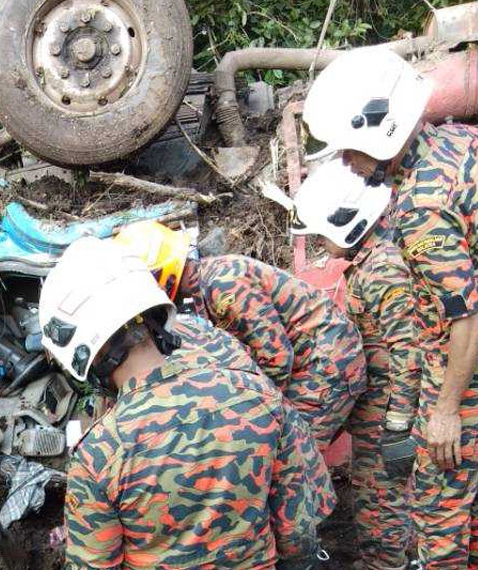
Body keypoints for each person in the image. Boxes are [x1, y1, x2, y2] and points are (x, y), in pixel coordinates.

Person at [40, 237, 335, 570]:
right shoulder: (259, 395)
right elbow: (297, 531)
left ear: (83, 354)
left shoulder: (98, 456)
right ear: (154, 316)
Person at [304, 46, 478, 568]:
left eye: (348, 149)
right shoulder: (454, 142)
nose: (344, 163)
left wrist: (444, 411)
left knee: (439, 512)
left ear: (378, 129)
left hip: (459, 384)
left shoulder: (423, 206)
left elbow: (464, 315)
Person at [114, 222, 367, 450]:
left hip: (326, 364)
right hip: (314, 360)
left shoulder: (224, 285)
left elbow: (277, 357)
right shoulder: (206, 286)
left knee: (291, 454)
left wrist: (251, 410)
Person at [292, 159, 422, 570]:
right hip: (380, 408)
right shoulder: (373, 260)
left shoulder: (381, 270)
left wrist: (399, 425)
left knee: (380, 506)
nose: (321, 244)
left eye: (322, 235)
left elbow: (409, 348)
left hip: (389, 412)